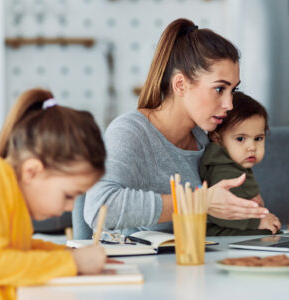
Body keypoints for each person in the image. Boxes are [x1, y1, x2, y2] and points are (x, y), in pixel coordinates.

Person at [85, 18, 270, 236]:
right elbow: (99, 209)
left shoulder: (209, 135)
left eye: (233, 91)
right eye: (219, 89)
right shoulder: (131, 133)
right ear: (180, 84)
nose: (229, 105)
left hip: (207, 262)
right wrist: (198, 202)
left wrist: (250, 211)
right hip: (147, 267)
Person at [0, 89, 108, 300]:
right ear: (32, 171)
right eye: (69, 195)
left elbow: (20, 248)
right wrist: (74, 263)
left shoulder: (10, 190)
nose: (71, 207)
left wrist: (67, 253)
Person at [200, 92, 281, 235]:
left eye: (258, 138)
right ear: (217, 138)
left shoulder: (235, 161)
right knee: (267, 233)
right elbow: (222, 211)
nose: (252, 147)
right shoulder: (222, 169)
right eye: (240, 139)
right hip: (218, 236)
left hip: (236, 229)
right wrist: (257, 221)